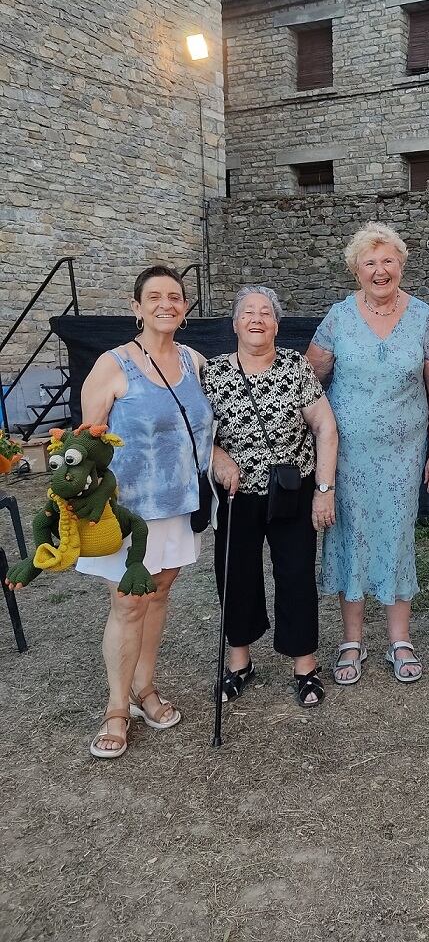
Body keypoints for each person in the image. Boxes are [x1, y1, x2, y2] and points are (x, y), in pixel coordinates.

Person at [306, 223, 429, 685]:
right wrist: (315, 449)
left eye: (387, 260)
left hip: (404, 455)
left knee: (396, 536)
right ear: (356, 270)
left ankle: (399, 639)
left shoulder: (423, 317)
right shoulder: (338, 317)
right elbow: (310, 382)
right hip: (347, 456)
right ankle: (352, 641)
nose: (380, 270)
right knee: (350, 538)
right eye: (369, 262)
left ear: (401, 265)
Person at [79, 265, 214, 758]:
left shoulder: (196, 361)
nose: (166, 304)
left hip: (179, 506)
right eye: (154, 297)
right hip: (127, 512)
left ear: (184, 307)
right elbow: (85, 443)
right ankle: (116, 709)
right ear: (137, 308)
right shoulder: (113, 365)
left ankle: (144, 689)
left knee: (158, 595)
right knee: (128, 603)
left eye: (175, 297)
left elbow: (207, 430)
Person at [202, 286, 338, 708]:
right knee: (236, 575)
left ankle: (305, 667)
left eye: (266, 313)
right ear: (235, 323)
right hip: (234, 494)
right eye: (248, 313)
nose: (257, 319)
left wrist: (324, 491)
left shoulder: (296, 367)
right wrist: (216, 454)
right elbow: (192, 431)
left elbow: (326, 430)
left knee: (296, 575)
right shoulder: (212, 372)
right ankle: (240, 663)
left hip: (291, 491)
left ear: (277, 324)